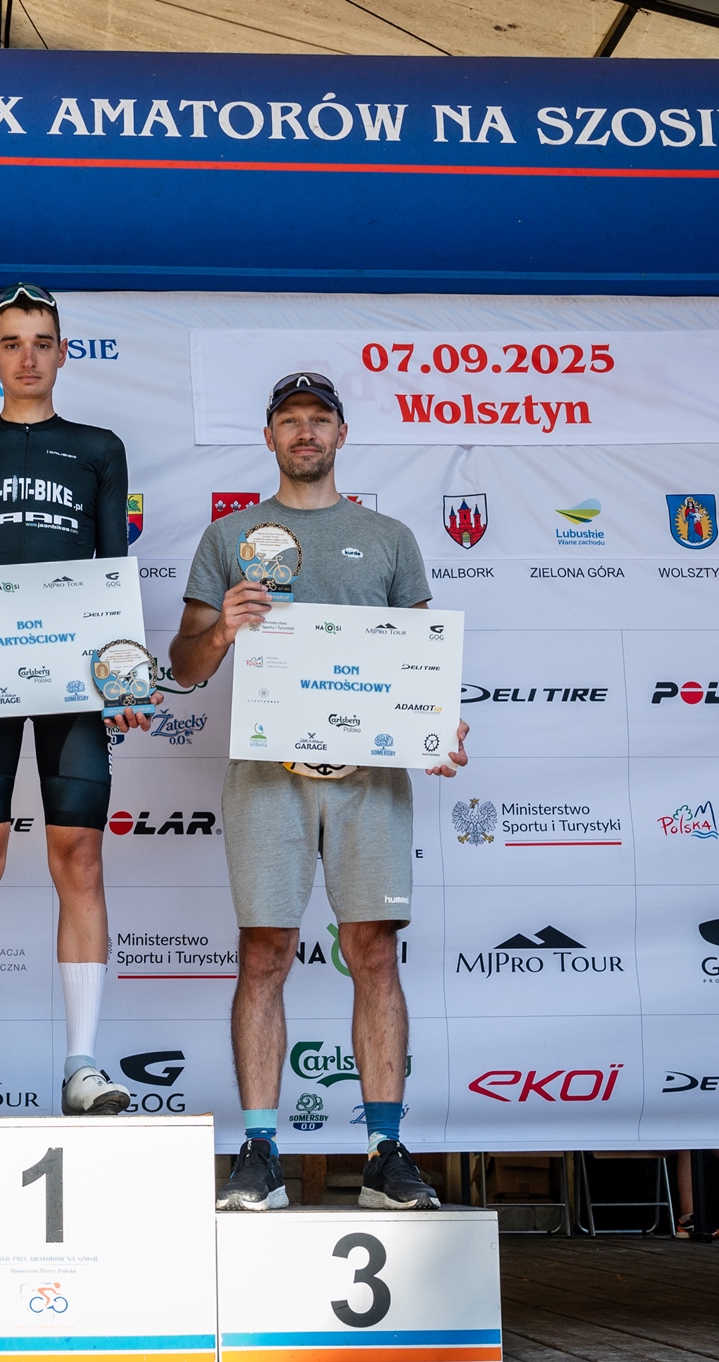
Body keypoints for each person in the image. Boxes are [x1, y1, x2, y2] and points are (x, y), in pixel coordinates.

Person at [169, 372, 469, 1211]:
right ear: (269, 437)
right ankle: (261, 1151)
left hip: (370, 778)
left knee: (373, 952)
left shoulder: (389, 538)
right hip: (268, 775)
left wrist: (438, 727)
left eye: (319, 420)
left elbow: (422, 660)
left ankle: (384, 1152)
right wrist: (223, 627)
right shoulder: (230, 536)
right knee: (264, 953)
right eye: (290, 421)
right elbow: (183, 669)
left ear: (341, 434)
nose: (305, 433)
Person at [0, 282, 151, 1118]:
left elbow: (112, 573)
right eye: (11, 342)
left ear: (62, 353)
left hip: (73, 683)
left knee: (79, 857)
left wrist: (122, 678)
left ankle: (83, 1064)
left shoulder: (98, 448)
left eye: (42, 342)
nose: (27, 357)